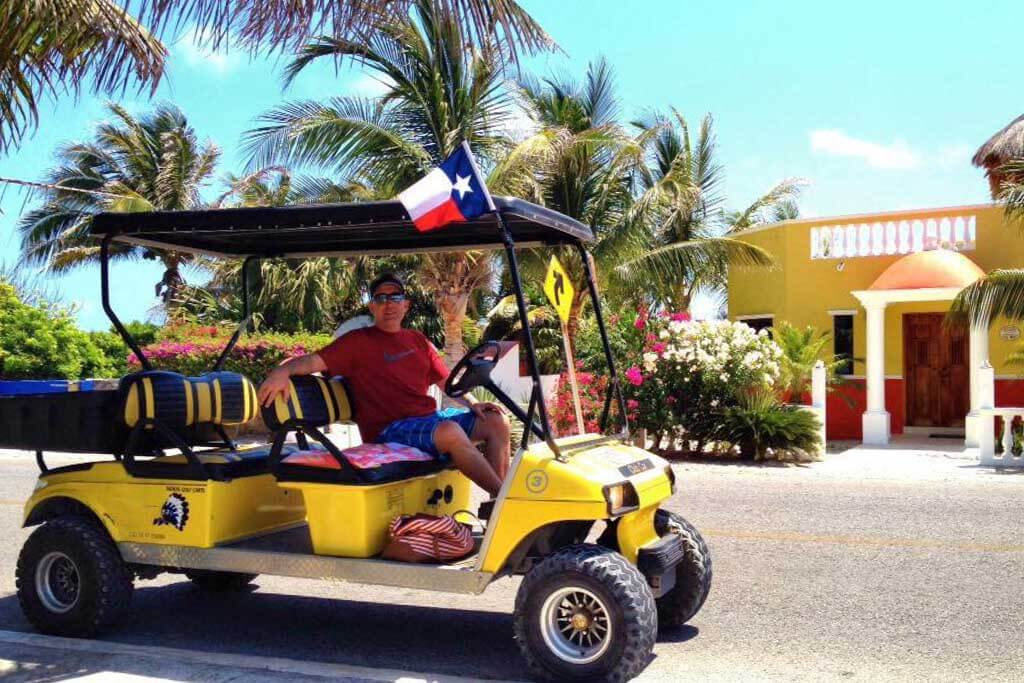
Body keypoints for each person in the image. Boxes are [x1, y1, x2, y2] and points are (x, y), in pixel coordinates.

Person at [257, 272, 510, 497]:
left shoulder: (417, 340)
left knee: (496, 420)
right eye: (381, 298)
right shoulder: (357, 342)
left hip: (428, 420)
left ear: (406, 305)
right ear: (372, 307)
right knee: (450, 432)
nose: (388, 304)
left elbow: (447, 383)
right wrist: (283, 370)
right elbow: (312, 361)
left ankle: (495, 507)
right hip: (388, 430)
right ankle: (505, 500)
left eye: (395, 297)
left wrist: (474, 403)